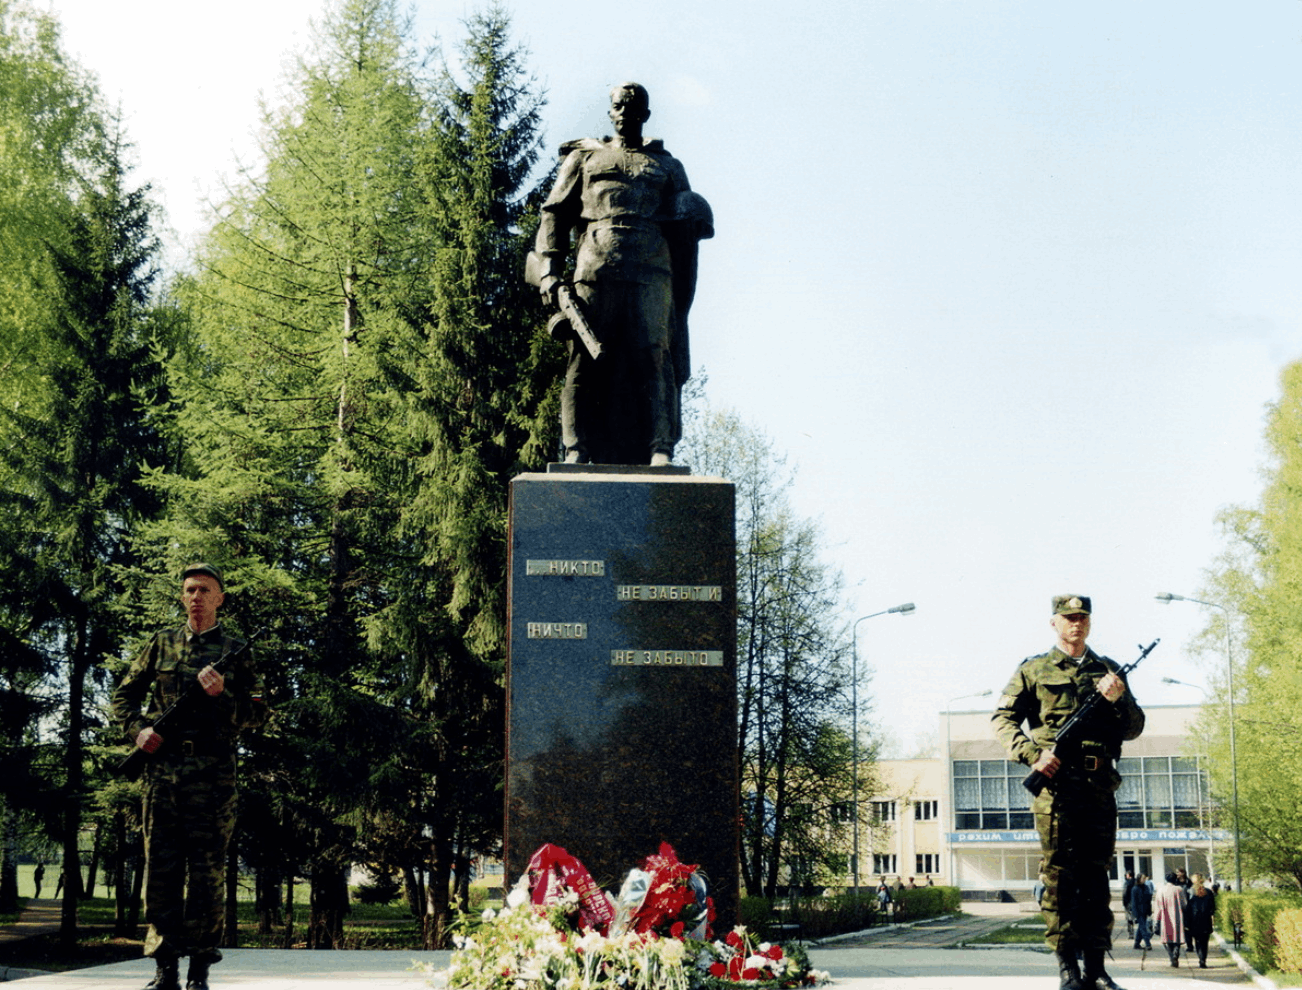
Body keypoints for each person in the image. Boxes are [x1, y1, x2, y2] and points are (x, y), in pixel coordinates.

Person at [529, 82, 713, 467]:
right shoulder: (584, 158)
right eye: (618, 106)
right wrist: (548, 270)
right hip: (595, 266)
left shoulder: (667, 165)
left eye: (634, 106)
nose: (626, 111)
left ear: (646, 114)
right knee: (583, 358)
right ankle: (576, 448)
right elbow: (554, 213)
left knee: (655, 356)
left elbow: (686, 223)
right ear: (610, 113)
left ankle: (660, 447)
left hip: (652, 269)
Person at [111, 564, 267, 990]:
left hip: (214, 777)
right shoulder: (160, 643)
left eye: (205, 590)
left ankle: (199, 970)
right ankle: (164, 969)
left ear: (220, 598)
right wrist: (138, 730)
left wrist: (222, 697)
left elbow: (258, 712)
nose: (196, 596)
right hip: (162, 775)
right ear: (182, 597)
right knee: (160, 872)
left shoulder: (238, 650)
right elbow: (124, 694)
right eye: (190, 590)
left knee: (206, 873)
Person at [993, 595, 1146, 990]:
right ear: (1054, 623)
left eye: (1082, 617)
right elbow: (1003, 718)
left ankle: (1096, 969)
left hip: (1098, 786)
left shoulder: (1108, 670)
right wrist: (1032, 755)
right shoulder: (1034, 669)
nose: (1076, 623)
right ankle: (1068, 970)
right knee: (1060, 876)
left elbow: (1133, 727)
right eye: (1068, 617)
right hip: (1055, 788)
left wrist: (1120, 697)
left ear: (1089, 623)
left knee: (1096, 878)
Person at [1154, 872, 1188, 967]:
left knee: (1168, 939)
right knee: (1177, 937)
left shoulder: (1161, 890)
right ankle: (1176, 952)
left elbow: (1158, 907)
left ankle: (1171, 957)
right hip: (1177, 917)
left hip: (1165, 918)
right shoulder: (1179, 890)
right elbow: (1184, 904)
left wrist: (1157, 920)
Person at [1184, 874, 1216, 968]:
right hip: (1205, 919)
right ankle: (1203, 959)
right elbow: (1212, 907)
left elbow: (1187, 908)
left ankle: (1200, 957)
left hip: (1194, 920)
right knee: (1204, 942)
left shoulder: (1190, 892)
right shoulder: (1209, 892)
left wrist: (1186, 922)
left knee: (1197, 941)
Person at [1128, 873, 1153, 951]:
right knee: (1143, 928)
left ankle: (1136, 943)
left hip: (1145, 910)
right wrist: (1134, 913)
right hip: (1139, 912)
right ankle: (1148, 944)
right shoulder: (1135, 888)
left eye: (1145, 878)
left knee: (1140, 928)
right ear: (1139, 879)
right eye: (1143, 878)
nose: (1144, 880)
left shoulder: (1146, 887)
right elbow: (1134, 902)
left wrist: (1149, 910)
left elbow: (1148, 900)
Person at [1121, 871, 1136, 939]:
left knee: (1129, 918)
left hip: (1128, 902)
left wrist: (1124, 903)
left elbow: (1125, 893)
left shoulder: (1127, 883)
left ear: (1129, 875)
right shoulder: (1136, 882)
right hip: (1136, 902)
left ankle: (1131, 933)